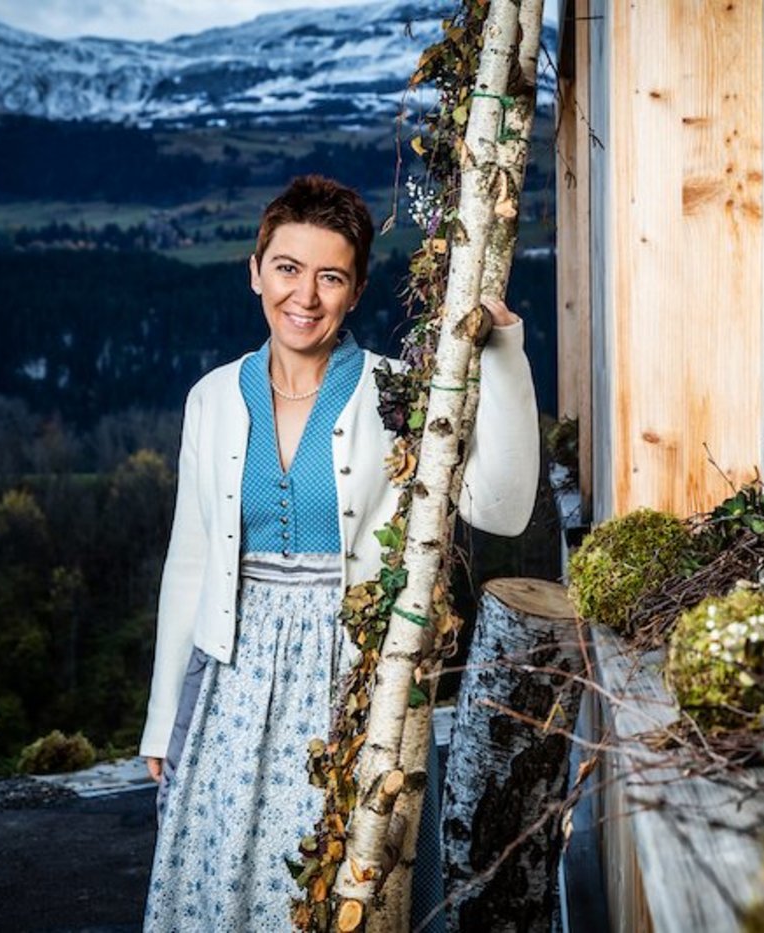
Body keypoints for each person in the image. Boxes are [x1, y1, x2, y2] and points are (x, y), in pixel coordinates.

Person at [140, 175, 539, 930]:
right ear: (255, 270)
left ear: (356, 291)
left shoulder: (400, 393)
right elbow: (190, 561)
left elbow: (503, 507)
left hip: (357, 677)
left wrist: (504, 349)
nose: (306, 295)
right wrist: (165, 717)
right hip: (235, 679)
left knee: (345, 887)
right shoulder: (213, 397)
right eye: (287, 268)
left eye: (331, 276)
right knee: (227, 872)